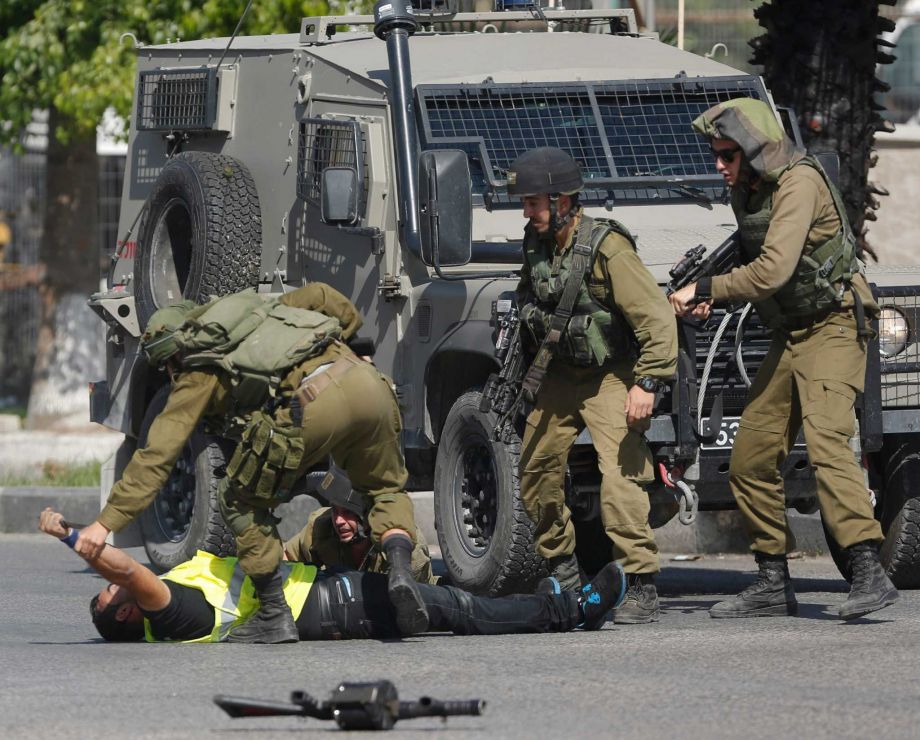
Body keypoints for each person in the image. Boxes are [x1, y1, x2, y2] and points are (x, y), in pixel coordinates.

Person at [75, 282, 427, 643]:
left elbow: (156, 456)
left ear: (174, 356)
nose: (170, 374)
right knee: (384, 489)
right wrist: (352, 341)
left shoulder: (197, 370)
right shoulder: (262, 311)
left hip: (312, 403)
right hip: (369, 382)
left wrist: (105, 524)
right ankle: (400, 568)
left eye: (167, 365)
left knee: (237, 499)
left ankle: (274, 614)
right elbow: (323, 295)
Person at [668, 97, 898, 620]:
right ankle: (772, 581)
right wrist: (708, 294)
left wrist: (707, 287)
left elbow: (771, 272)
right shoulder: (749, 190)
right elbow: (753, 259)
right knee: (750, 458)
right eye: (716, 154)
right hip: (790, 333)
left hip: (835, 326)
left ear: (754, 150)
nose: (719, 165)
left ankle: (867, 569)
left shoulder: (798, 183)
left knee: (827, 442)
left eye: (728, 154)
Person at [508, 147, 678, 624]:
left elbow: (656, 318)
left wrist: (647, 382)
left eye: (534, 202)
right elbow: (531, 297)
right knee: (535, 466)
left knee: (621, 472)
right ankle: (565, 572)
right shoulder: (536, 240)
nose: (527, 211)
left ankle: (642, 585)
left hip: (610, 372)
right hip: (562, 372)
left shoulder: (607, 248)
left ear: (563, 201)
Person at [39, 508, 626, 642]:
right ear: (125, 610)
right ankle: (575, 609)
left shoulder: (173, 610)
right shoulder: (171, 615)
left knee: (452, 606)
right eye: (113, 590)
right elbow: (125, 564)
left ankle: (551, 603)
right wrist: (74, 536)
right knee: (457, 609)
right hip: (328, 605)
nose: (119, 580)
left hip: (319, 596)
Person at [284, 464, 439, 585]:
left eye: (348, 512)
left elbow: (408, 608)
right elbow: (286, 557)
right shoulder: (321, 527)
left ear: (370, 514)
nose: (338, 521)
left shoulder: (405, 551)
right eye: (335, 511)